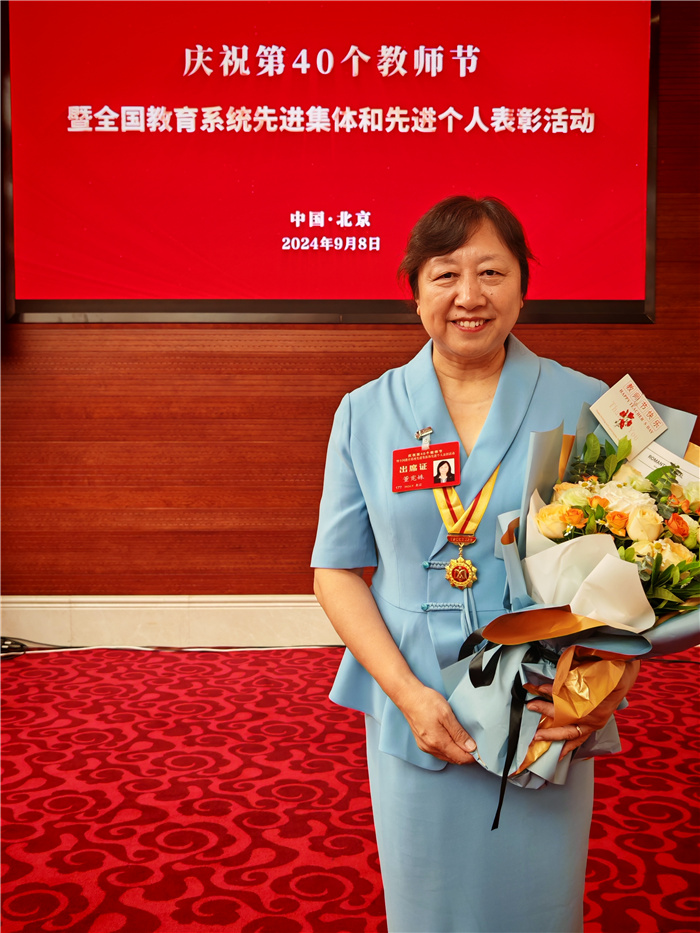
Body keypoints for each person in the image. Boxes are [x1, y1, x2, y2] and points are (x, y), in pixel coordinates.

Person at [311, 196, 639, 933]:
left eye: (492, 272)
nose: (469, 295)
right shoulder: (365, 411)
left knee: (536, 900)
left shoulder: (589, 402)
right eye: (445, 274)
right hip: (416, 692)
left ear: (523, 287)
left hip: (546, 697)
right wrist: (406, 695)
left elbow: (637, 569)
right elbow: (335, 570)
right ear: (415, 291)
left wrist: (601, 685)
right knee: (430, 902)